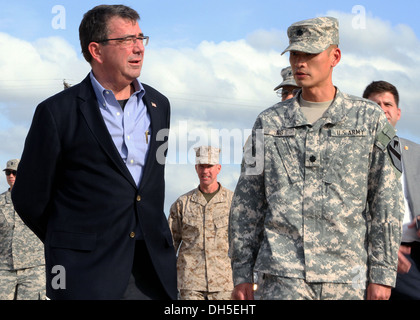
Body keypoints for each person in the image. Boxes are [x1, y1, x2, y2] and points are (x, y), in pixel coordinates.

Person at [229, 17, 404, 300]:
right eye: (295, 54)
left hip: (347, 278)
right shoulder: (268, 122)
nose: (300, 62)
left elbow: (386, 199)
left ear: (335, 56)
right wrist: (241, 273)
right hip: (281, 277)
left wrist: (382, 274)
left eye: (310, 54)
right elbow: (247, 202)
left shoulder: (369, 119)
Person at [11, 4, 176, 300]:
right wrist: (71, 241)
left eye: (141, 38)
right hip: (85, 275)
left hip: (151, 272)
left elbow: (151, 183)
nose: (138, 48)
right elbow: (28, 198)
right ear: (96, 51)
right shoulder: (56, 112)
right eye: (126, 40)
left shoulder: (159, 105)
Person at [363, 80, 420, 300]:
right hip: (370, 254)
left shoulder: (416, 153)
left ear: (398, 112)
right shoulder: (351, 155)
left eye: (387, 104)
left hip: (413, 254)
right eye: (375, 104)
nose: (382, 109)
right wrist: (381, 247)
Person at [168, 146, 234, 300]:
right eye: (201, 166)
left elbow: (243, 243)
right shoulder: (182, 204)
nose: (205, 171)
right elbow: (169, 244)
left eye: (209, 166)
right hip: (190, 284)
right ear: (196, 168)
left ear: (218, 168)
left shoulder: (233, 202)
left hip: (224, 283)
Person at [0, 159, 45, 300]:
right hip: (4, 269)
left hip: (33, 269)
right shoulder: (0, 202)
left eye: (15, 172)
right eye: (8, 172)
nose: (11, 176)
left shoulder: (39, 200)